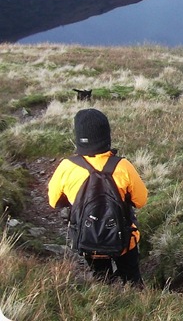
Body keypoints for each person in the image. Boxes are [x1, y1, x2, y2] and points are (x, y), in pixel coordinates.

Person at [48, 108, 148, 285]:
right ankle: (136, 304)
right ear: (106, 135)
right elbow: (141, 201)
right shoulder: (122, 166)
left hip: (88, 240)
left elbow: (54, 201)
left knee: (102, 280)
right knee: (132, 280)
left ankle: (104, 303)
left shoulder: (66, 167)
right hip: (124, 241)